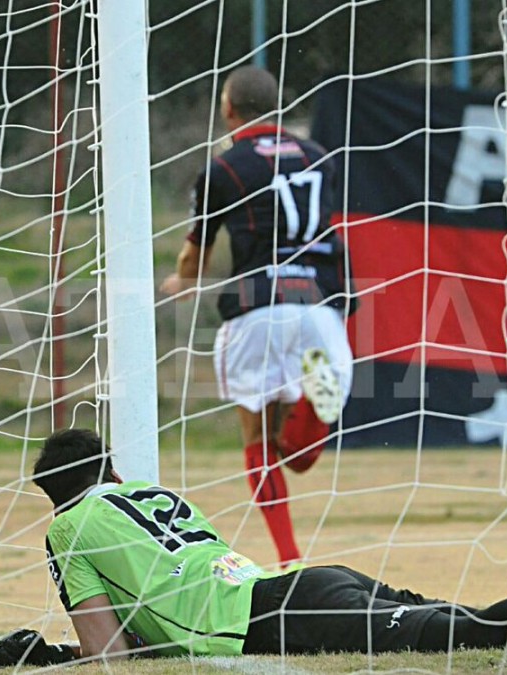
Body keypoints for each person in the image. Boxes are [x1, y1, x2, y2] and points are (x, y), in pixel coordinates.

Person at [0, 429, 507, 666]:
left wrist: (51, 657)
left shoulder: (67, 527)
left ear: (52, 494)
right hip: (300, 582)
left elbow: (113, 656)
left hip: (269, 619)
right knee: (477, 619)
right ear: (110, 468)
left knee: (483, 633)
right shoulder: (148, 491)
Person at [160, 65, 355, 568]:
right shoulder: (318, 157)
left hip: (257, 306)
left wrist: (181, 280)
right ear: (277, 107)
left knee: (259, 443)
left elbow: (195, 254)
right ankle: (313, 413)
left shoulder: (224, 169)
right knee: (300, 456)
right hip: (318, 302)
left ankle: (289, 557)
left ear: (227, 109)